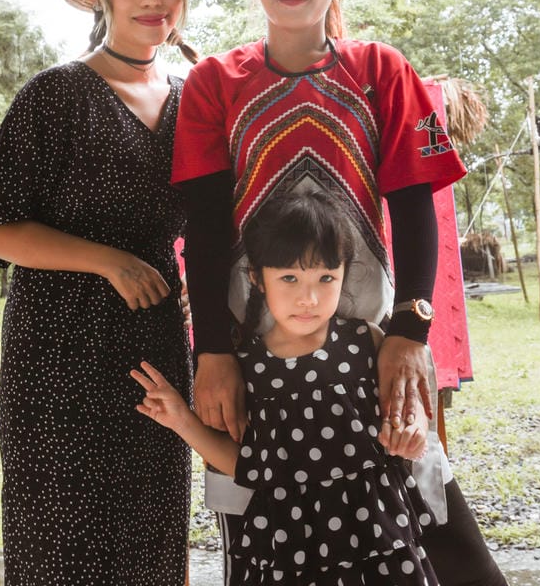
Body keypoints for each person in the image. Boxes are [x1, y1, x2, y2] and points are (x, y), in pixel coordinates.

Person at [172, 0, 508, 585]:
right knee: (259, 525)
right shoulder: (212, 83)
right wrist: (213, 353)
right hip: (253, 350)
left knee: (425, 516)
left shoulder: (383, 70)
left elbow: (415, 206)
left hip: (369, 345)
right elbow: (204, 230)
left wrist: (409, 333)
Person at [0, 0, 210, 586]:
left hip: (154, 348)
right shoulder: (55, 94)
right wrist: (107, 261)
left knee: (152, 538)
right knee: (63, 544)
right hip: (58, 358)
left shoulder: (195, 101)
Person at [132, 191, 440, 585]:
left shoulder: (368, 342)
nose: (308, 298)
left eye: (325, 278)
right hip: (291, 552)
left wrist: (412, 433)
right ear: (256, 278)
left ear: (345, 274)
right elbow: (248, 467)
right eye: (289, 278)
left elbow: (406, 415)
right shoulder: (249, 369)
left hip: (377, 543)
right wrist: (181, 420)